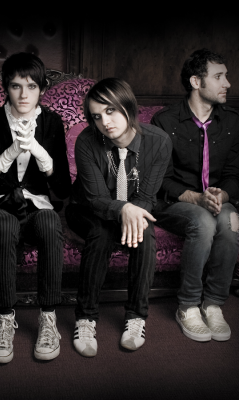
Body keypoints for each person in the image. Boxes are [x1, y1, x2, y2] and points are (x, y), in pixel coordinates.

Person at [0, 52, 71, 363]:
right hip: (0, 203)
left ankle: (48, 317)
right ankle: (4, 320)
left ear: (42, 88)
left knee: (51, 223)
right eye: (16, 86)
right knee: (4, 225)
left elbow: (63, 188)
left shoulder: (52, 122)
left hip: (39, 205)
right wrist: (10, 152)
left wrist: (40, 153)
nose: (24, 94)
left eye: (31, 86)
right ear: (6, 88)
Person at [66, 78, 172, 357]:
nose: (105, 122)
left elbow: (147, 196)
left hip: (134, 206)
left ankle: (136, 316)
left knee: (145, 233)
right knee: (101, 233)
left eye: (110, 110)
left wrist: (131, 212)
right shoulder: (86, 141)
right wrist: (123, 210)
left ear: (128, 106)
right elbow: (96, 199)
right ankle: (85, 317)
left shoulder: (159, 141)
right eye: (96, 116)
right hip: (86, 208)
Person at [151, 48, 239, 342]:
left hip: (215, 200)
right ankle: (189, 306)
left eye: (226, 76)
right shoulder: (164, 122)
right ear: (196, 82)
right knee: (203, 221)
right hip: (173, 202)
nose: (227, 83)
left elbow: (234, 177)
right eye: (219, 76)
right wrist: (197, 199)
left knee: (230, 222)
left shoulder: (233, 121)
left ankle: (213, 304)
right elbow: (160, 181)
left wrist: (222, 195)